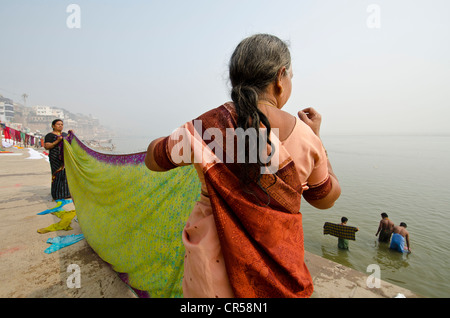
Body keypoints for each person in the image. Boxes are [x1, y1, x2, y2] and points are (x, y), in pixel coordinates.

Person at [144, 34, 341, 298]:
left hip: (209, 279)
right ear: (280, 78)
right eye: (291, 75)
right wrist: (318, 139)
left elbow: (152, 159)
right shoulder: (307, 139)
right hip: (278, 279)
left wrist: (187, 136)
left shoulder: (205, 129)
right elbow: (324, 198)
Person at [44, 119, 71, 200]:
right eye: (58, 124)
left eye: (62, 124)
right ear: (53, 126)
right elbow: (47, 146)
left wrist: (72, 135)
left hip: (65, 158)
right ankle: (57, 194)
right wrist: (57, 141)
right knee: (57, 174)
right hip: (55, 158)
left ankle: (66, 193)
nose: (60, 126)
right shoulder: (49, 135)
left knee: (65, 175)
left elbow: (72, 143)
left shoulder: (65, 135)